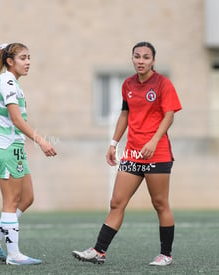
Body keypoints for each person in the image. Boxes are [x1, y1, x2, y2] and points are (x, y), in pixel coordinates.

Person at [72, 42, 182, 266]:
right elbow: (125, 114)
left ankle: (166, 255)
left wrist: (153, 141)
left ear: (153, 61)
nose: (141, 61)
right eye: (137, 56)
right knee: (116, 202)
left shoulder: (163, 84)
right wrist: (113, 143)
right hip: (132, 152)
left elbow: (169, 116)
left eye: (146, 57)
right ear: (132, 58)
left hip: (157, 152)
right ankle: (99, 251)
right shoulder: (128, 84)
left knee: (160, 203)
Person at [0, 43, 57, 265]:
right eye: (23, 58)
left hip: (14, 147)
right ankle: (14, 255)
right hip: (6, 147)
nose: (28, 62)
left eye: (29, 57)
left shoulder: (11, 82)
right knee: (11, 201)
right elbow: (16, 120)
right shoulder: (7, 80)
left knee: (27, 198)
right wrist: (42, 141)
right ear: (9, 61)